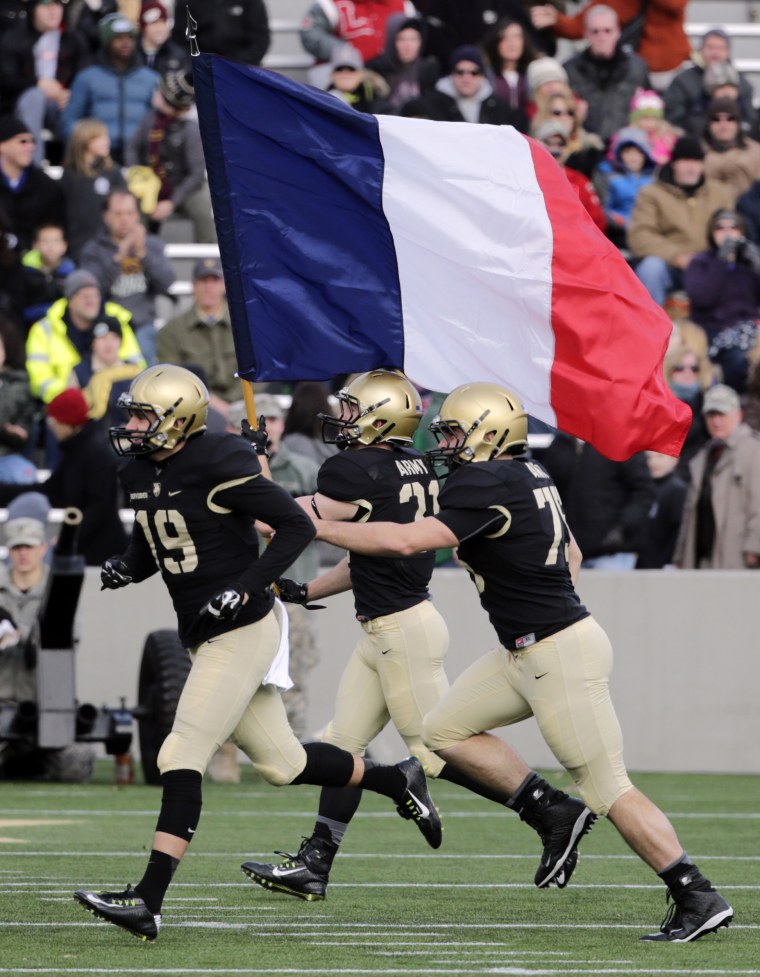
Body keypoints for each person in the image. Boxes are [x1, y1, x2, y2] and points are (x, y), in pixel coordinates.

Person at [309, 380, 734, 942]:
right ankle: (550, 810)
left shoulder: (486, 480)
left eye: (457, 432)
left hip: (553, 649)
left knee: (607, 787)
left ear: (490, 433)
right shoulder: (527, 474)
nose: (449, 444)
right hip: (530, 646)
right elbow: (573, 554)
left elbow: (408, 542)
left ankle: (695, 893)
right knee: (442, 730)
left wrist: (312, 523)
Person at [72, 363, 442, 942]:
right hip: (204, 627)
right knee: (283, 764)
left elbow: (294, 526)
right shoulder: (138, 470)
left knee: (180, 752)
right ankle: (395, 780)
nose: (135, 427)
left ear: (177, 419)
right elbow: (158, 537)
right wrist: (128, 565)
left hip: (243, 626)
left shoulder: (218, 460)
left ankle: (147, 901)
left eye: (145, 415)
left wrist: (247, 584)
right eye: (134, 416)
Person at [243, 370, 505, 899]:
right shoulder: (411, 465)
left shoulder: (354, 469)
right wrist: (309, 590)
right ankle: (315, 865)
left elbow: (277, 522)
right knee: (342, 745)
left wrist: (255, 464)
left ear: (379, 417)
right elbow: (368, 552)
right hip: (392, 625)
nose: (341, 419)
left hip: (401, 631)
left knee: (437, 753)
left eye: (351, 409)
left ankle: (544, 806)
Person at [0, 510, 94, 781]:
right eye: (17, 547)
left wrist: (27, 637)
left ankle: (29, 762)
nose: (23, 554)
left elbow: (69, 640)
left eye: (29, 546)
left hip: (44, 702)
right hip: (2, 698)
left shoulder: (59, 591)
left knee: (76, 766)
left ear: (43, 547)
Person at [0, 387, 129, 565]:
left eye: (54, 419)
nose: (51, 425)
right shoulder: (74, 451)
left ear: (68, 421)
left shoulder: (95, 453)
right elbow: (50, 491)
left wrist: (68, 539)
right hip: (85, 550)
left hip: (101, 554)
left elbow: (99, 507)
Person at [628, 136, 732, 307]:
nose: (691, 167)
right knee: (650, 267)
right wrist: (678, 257)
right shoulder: (651, 194)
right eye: (685, 161)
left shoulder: (719, 193)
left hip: (711, 264)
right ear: (674, 163)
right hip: (671, 265)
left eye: (696, 161)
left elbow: (732, 228)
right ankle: (652, 327)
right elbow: (640, 236)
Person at [79, 188, 175, 366]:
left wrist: (142, 254)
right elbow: (94, 290)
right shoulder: (93, 250)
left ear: (137, 216)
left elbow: (166, 282)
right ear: (106, 216)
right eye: (118, 214)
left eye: (130, 213)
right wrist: (120, 256)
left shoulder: (152, 245)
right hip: (108, 325)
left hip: (143, 324)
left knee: (147, 354)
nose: (124, 219)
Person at [673, 383, 760, 570]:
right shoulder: (704, 454)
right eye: (711, 415)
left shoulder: (754, 450)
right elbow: (690, 511)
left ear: (738, 415)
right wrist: (680, 554)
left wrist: (754, 546)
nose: (716, 421)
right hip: (701, 556)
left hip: (736, 555)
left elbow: (758, 504)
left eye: (722, 414)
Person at [25, 268, 142, 405]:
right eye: (84, 296)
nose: (91, 301)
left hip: (116, 402)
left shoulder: (116, 322)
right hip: (64, 406)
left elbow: (137, 367)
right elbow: (40, 381)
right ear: (70, 300)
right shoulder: (44, 329)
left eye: (95, 295)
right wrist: (77, 397)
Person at [540, 432, 654, 569]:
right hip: (568, 552)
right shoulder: (561, 443)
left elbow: (644, 492)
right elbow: (546, 490)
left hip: (612, 553)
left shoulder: (620, 440)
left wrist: (622, 529)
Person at [0, 0, 90, 165]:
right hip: (21, 107)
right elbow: (5, 82)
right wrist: (36, 83)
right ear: (33, 9)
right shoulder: (13, 39)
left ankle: (78, 169)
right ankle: (33, 166)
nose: (53, 11)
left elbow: (85, 76)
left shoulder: (73, 39)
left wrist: (72, 94)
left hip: (62, 104)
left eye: (57, 5)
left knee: (77, 104)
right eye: (46, 5)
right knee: (34, 97)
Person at [61, 13, 159, 163]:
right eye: (118, 38)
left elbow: (161, 119)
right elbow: (69, 121)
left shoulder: (151, 78)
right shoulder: (87, 77)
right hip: (99, 156)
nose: (126, 43)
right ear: (106, 41)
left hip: (140, 156)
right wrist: (88, 143)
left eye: (130, 38)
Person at [530, 0, 690, 91]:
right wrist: (558, 21)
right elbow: (587, 23)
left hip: (673, 70)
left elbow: (675, 4)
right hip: (639, 74)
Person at [684, 208, 760, 394]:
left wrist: (758, 266)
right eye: (720, 227)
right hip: (712, 330)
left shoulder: (750, 261)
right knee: (736, 359)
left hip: (748, 330)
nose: (727, 232)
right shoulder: (700, 262)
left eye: (733, 227)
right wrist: (721, 262)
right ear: (711, 233)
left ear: (742, 232)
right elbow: (702, 298)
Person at [156, 256, 238, 416]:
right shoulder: (171, 331)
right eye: (203, 280)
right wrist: (214, 404)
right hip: (194, 407)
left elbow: (256, 372)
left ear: (224, 285)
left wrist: (232, 405)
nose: (208, 286)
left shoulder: (245, 326)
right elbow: (173, 377)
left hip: (243, 403)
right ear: (193, 285)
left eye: (214, 280)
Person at [561, 4, 650, 145]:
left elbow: (648, 107)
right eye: (595, 31)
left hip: (625, 148)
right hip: (583, 147)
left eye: (607, 31)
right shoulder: (569, 70)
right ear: (586, 34)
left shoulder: (637, 68)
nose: (601, 37)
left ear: (618, 32)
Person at [664, 28, 757, 141]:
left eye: (720, 48)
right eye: (710, 47)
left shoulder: (741, 82)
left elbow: (750, 120)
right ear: (701, 50)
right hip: (695, 144)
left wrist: (734, 101)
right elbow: (673, 120)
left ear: (728, 52)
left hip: (735, 145)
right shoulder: (683, 81)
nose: (715, 53)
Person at [401, 45, 524, 129]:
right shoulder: (430, 105)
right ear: (451, 75)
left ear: (482, 76)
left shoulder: (499, 108)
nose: (466, 77)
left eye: (474, 72)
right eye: (460, 72)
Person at [300, 0, 415, 89]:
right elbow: (311, 35)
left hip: (389, 73)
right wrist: (347, 57)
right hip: (341, 74)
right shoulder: (329, 3)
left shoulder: (403, 4)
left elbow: (416, 39)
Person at [60, 117, 127, 262]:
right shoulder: (70, 174)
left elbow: (125, 204)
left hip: (109, 247)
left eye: (107, 137)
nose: (107, 141)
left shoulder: (113, 172)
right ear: (84, 141)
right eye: (100, 138)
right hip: (76, 247)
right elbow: (62, 212)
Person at [0, 115, 65, 254]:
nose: (30, 147)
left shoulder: (47, 187)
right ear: (2, 145)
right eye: (22, 141)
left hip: (36, 266)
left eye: (32, 142)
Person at [69, 314, 142, 428]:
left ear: (121, 342)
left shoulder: (134, 371)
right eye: (102, 338)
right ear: (93, 343)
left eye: (114, 337)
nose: (109, 344)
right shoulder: (78, 373)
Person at [535, 121, 607, 232]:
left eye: (561, 144)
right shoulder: (527, 178)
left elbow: (598, 222)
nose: (555, 149)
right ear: (536, 144)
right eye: (548, 142)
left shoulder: (580, 181)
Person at [366, 15, 439, 114]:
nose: (408, 46)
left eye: (413, 39)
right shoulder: (376, 71)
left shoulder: (428, 69)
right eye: (401, 39)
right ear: (391, 41)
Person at [170, 0, 270, 67]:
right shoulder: (188, 2)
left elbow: (260, 40)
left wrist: (234, 66)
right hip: (201, 71)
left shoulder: (250, 2)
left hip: (242, 71)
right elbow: (180, 39)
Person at [602, 126, 656, 246]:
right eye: (628, 152)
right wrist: (619, 220)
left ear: (645, 155)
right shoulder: (613, 179)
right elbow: (606, 208)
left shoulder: (653, 180)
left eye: (638, 152)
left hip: (648, 229)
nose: (633, 157)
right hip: (620, 231)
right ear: (620, 156)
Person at [0, 315, 38, 484]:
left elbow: (24, 426)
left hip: (5, 455)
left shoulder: (18, 381)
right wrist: (5, 428)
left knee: (27, 475)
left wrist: (16, 431)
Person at [635, 450, 688, 568]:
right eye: (649, 457)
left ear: (674, 460)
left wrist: (670, 561)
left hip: (662, 564)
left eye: (660, 457)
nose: (654, 462)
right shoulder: (645, 488)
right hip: (643, 563)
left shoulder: (677, 490)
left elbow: (677, 532)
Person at [702, 97, 760, 201]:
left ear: (738, 124)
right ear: (709, 125)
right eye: (716, 119)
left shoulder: (756, 152)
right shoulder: (697, 152)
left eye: (730, 119)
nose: (723, 125)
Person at [481, 16, 537, 124]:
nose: (511, 43)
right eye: (504, 37)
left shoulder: (534, 73)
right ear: (496, 42)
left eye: (517, 37)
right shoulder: (484, 75)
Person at [21, 222, 76, 327]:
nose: (50, 246)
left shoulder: (72, 274)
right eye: (45, 241)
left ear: (65, 245)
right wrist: (52, 310)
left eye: (56, 241)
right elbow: (19, 309)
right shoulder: (24, 273)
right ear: (35, 245)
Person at [135, 0, 190, 76]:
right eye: (154, 23)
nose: (159, 28)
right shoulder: (132, 54)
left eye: (163, 22)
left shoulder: (178, 56)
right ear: (143, 28)